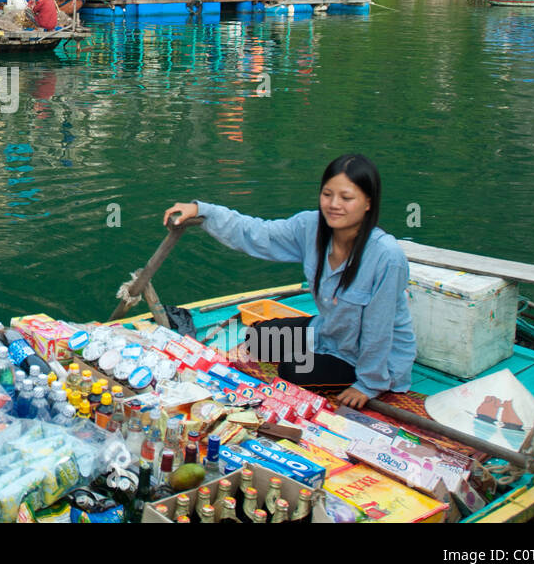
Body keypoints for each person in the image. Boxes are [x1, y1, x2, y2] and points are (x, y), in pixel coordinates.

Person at [162, 154, 416, 409]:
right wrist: (202, 210)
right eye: (327, 194)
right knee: (258, 338)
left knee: (292, 371)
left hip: (366, 358)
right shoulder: (311, 226)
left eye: (346, 198)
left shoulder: (386, 256)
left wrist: (368, 384)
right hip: (329, 333)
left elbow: (378, 329)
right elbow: (257, 233)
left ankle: (363, 378)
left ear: (368, 203)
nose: (334, 204)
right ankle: (315, 353)